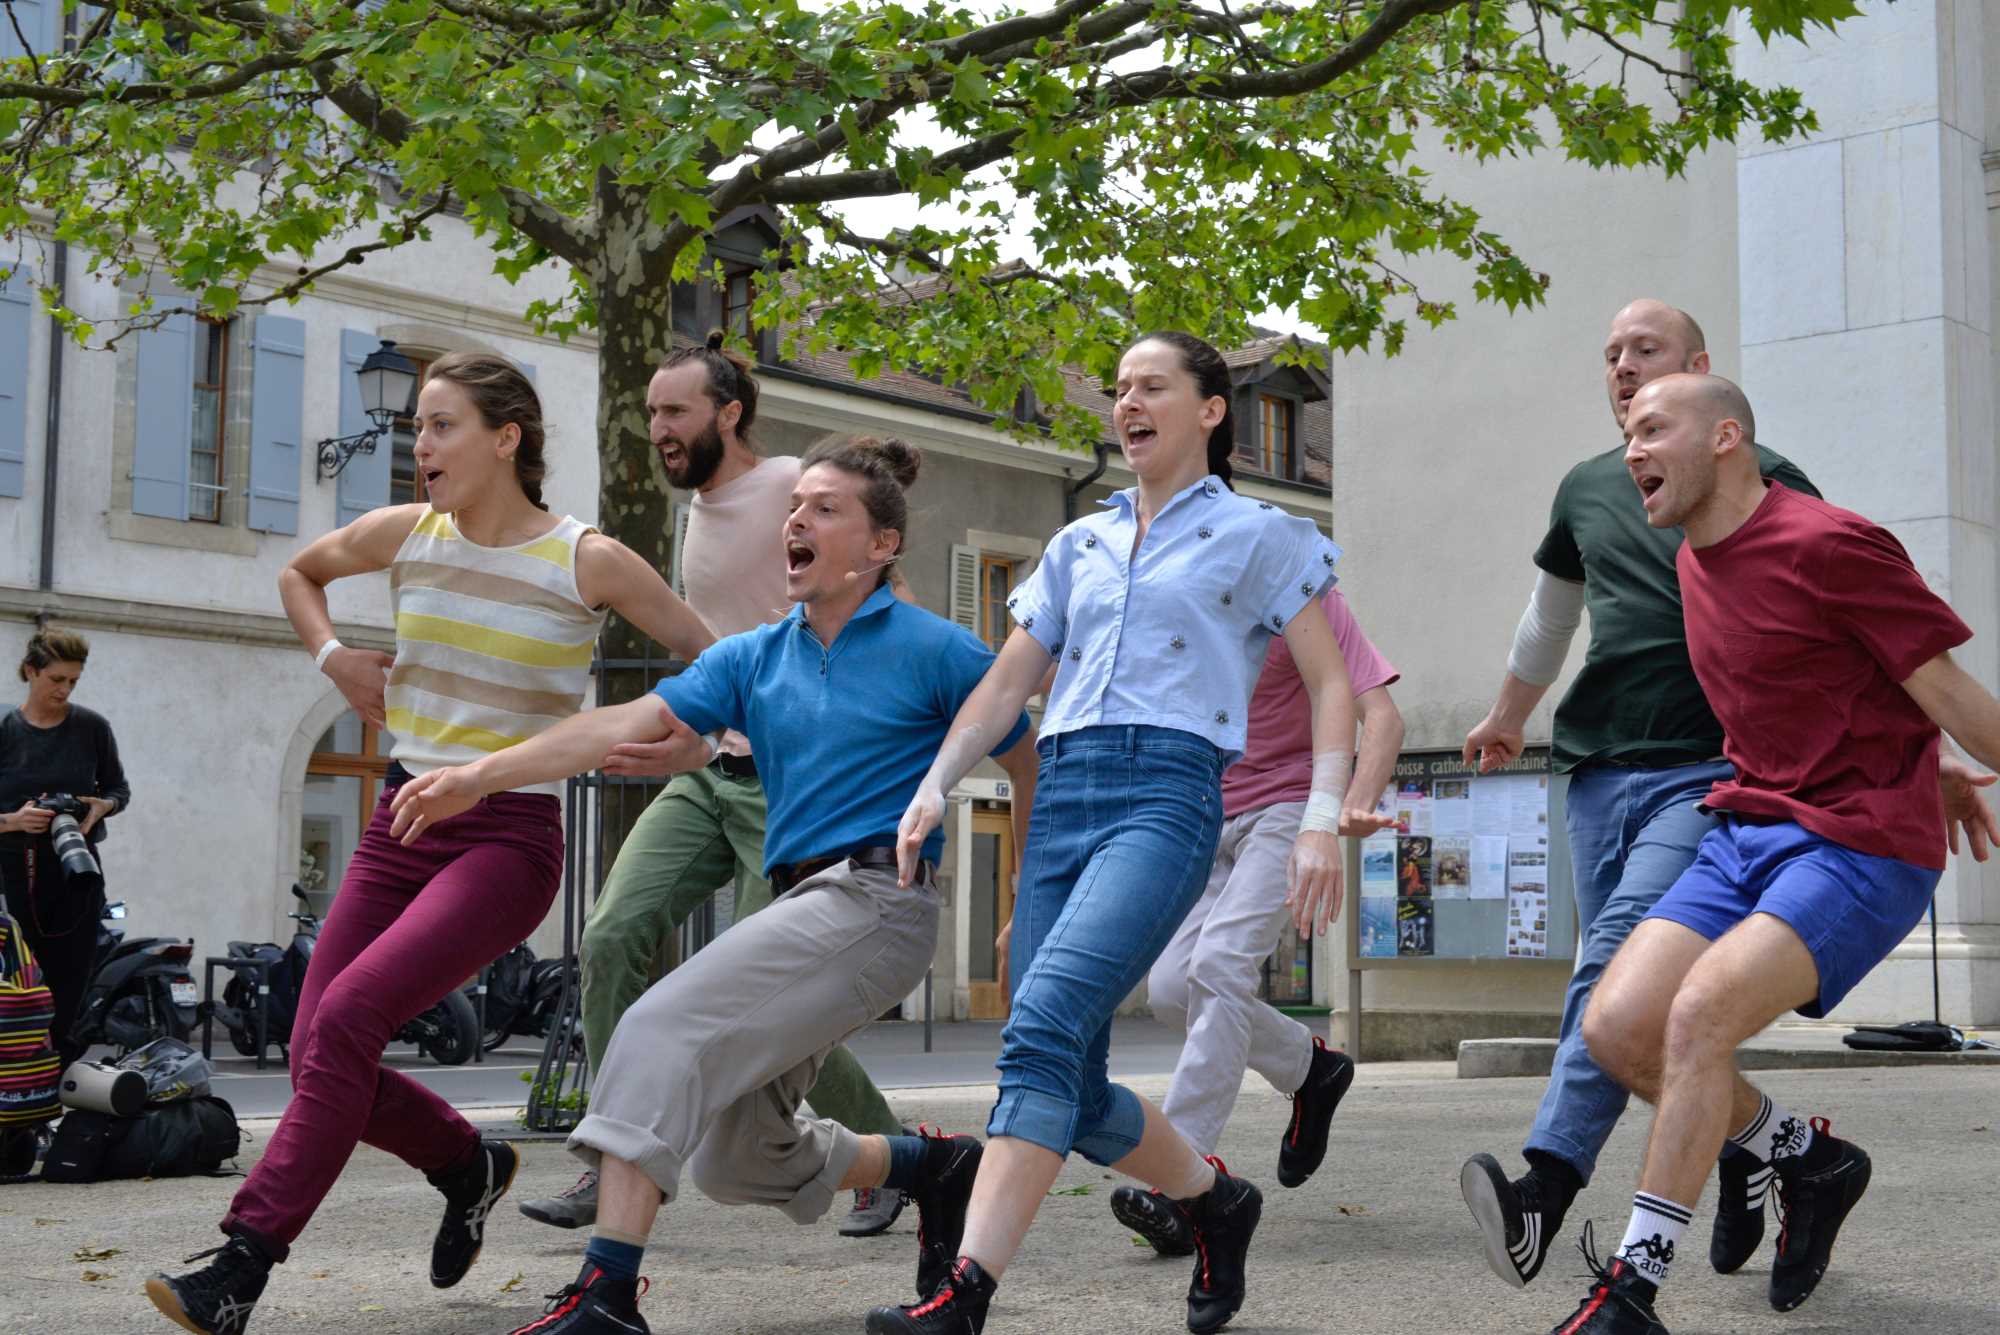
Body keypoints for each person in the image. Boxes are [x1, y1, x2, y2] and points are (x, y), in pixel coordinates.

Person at [388, 434, 1039, 1335]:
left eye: (825, 509)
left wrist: (1025, 900)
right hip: (806, 904)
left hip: (879, 901)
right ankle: (928, 1167)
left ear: (881, 545)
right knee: (740, 1159)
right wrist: (479, 775)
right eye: (794, 507)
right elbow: (622, 718)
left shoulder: (936, 649)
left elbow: (1029, 762)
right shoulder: (755, 657)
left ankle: (607, 1292)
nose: (796, 520)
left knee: (659, 1024)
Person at [145, 352, 716, 1335]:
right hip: (400, 821)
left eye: (442, 425)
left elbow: (716, 659)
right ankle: (465, 1162)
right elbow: (298, 572)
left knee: (349, 1015)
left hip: (507, 838)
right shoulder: (407, 533)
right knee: (317, 1046)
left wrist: (690, 744)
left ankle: (242, 1263)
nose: (420, 445)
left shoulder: (585, 560)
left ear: (506, 439)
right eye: (417, 426)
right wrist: (335, 659)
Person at [868, 331, 1353, 1335]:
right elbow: (1006, 682)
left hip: (1167, 793)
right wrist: (934, 784)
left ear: (1210, 410)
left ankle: (966, 1294)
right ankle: (1218, 1202)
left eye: (1151, 386)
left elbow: (1332, 685)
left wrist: (1317, 821)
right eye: (1119, 388)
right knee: (1071, 1084)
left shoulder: (1260, 534)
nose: (1126, 403)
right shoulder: (1074, 546)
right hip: (1062, 794)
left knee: (1041, 1026)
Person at [1541, 371, 2000, 1334]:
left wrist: (1937, 766)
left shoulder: (1832, 544)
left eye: (1653, 428)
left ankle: (1631, 1290)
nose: (1631, 450)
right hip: (1749, 828)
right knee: (1616, 1030)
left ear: (1726, 438)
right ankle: (1806, 1156)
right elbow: (1814, 687)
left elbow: (1945, 689)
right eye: (1626, 435)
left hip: (1863, 841)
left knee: (1700, 1013)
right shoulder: (1691, 563)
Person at [1457, 300, 1820, 1288]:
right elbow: (1549, 620)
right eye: (1610, 353)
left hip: (1711, 767)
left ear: (1698, 368)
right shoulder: (1586, 486)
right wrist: (1506, 715)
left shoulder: (1767, 474)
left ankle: (1544, 1184)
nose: (1620, 364)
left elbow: (1826, 609)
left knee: (1612, 959)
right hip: (1594, 769)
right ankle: (1773, 1147)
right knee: (1634, 1005)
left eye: (1645, 350)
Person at [519, 335, 915, 1239]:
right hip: (712, 771)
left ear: (728, 414)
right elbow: (720, 654)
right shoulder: (696, 513)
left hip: (792, 783)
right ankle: (613, 1155)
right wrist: (690, 739)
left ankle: (891, 1153)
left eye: (676, 411)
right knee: (611, 934)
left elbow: (877, 590)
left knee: (764, 995)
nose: (658, 427)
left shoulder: (786, 485)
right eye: (652, 411)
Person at [1110, 588, 1402, 1256]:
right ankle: (1311, 1069)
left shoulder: (1303, 594)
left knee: (1219, 966)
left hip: (1290, 806)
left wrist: (1346, 809)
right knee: (1171, 990)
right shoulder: (1180, 594)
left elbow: (1383, 718)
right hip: (1207, 814)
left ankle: (1182, 1179)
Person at [1, 627, 130, 1068]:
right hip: (11, 879)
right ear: (30, 671)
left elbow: (118, 790)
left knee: (69, 990)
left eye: (73, 681)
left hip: (77, 875)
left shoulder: (92, 728)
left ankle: (52, 1082)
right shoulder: (5, 730)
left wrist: (101, 806)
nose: (65, 689)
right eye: (56, 679)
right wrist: (13, 821)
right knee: (13, 986)